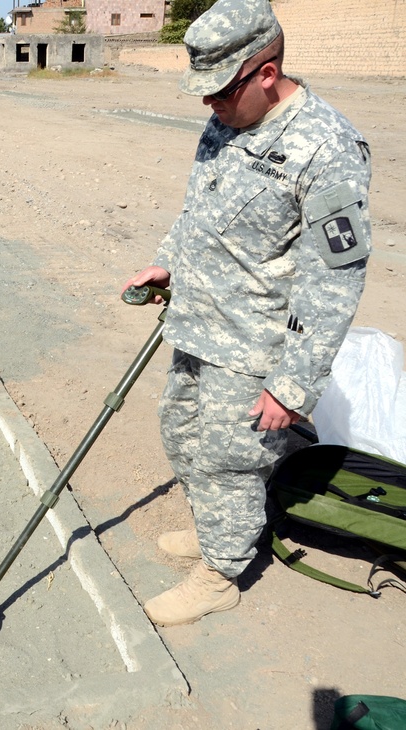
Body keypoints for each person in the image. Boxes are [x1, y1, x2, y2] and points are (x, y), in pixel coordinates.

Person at [123, 0, 371, 626]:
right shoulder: (228, 122)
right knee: (181, 433)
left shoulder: (328, 146)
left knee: (231, 458)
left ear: (265, 72)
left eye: (220, 91)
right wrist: (167, 264)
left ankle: (221, 573)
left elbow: (334, 279)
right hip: (199, 320)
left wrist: (293, 384)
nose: (210, 104)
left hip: (256, 343)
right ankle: (220, 528)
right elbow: (199, 211)